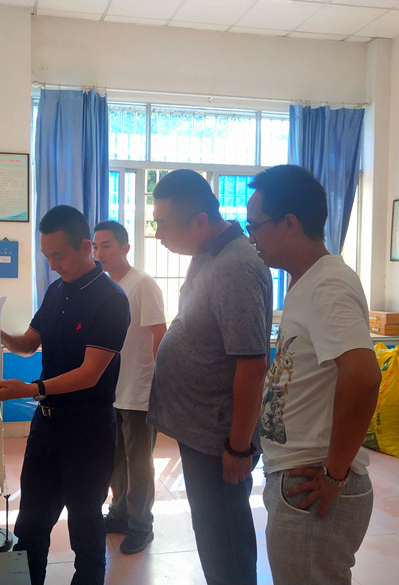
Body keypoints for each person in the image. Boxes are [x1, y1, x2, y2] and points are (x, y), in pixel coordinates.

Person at [0, 205, 130, 585]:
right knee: (30, 527)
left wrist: (31, 389)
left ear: (85, 247)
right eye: (46, 256)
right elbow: (29, 343)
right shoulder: (56, 290)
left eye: (58, 256)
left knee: (86, 529)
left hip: (88, 431)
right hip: (46, 429)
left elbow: (90, 373)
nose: (52, 265)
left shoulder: (111, 299)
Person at [246, 164, 381, 585]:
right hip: (298, 476)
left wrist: (335, 474)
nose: (251, 238)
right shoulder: (306, 282)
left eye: (256, 226)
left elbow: (363, 376)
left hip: (313, 482)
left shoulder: (327, 286)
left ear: (289, 224)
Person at [147, 169, 273, 585]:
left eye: (163, 223)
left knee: (225, 544)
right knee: (212, 532)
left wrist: (238, 447)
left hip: (220, 438)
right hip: (200, 427)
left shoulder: (236, 267)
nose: (158, 234)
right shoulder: (208, 253)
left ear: (199, 221)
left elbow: (252, 366)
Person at [91, 220, 167, 555]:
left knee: (138, 464)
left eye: (106, 245)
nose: (99, 253)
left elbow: (159, 336)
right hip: (111, 391)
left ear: (125, 248)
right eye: (95, 247)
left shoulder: (142, 284)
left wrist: (160, 386)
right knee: (115, 461)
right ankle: (119, 514)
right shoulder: (105, 288)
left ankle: (141, 525)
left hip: (139, 391)